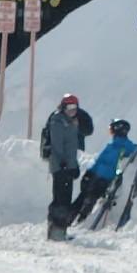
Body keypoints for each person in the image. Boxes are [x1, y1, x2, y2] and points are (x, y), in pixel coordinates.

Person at [72, 117, 137, 222]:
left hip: (105, 179)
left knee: (90, 198)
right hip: (96, 176)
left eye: (111, 129)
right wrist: (89, 173)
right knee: (83, 196)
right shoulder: (111, 146)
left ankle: (81, 219)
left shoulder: (124, 145)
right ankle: (70, 220)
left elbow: (136, 149)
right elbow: (99, 161)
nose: (110, 132)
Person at [45, 92, 89, 238]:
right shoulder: (58, 121)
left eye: (75, 107)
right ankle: (56, 231)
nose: (72, 110)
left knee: (64, 199)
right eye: (69, 107)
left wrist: (73, 165)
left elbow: (73, 145)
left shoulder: (71, 121)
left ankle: (58, 230)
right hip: (60, 167)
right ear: (63, 107)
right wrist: (65, 165)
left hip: (67, 166)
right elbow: (57, 145)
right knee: (61, 200)